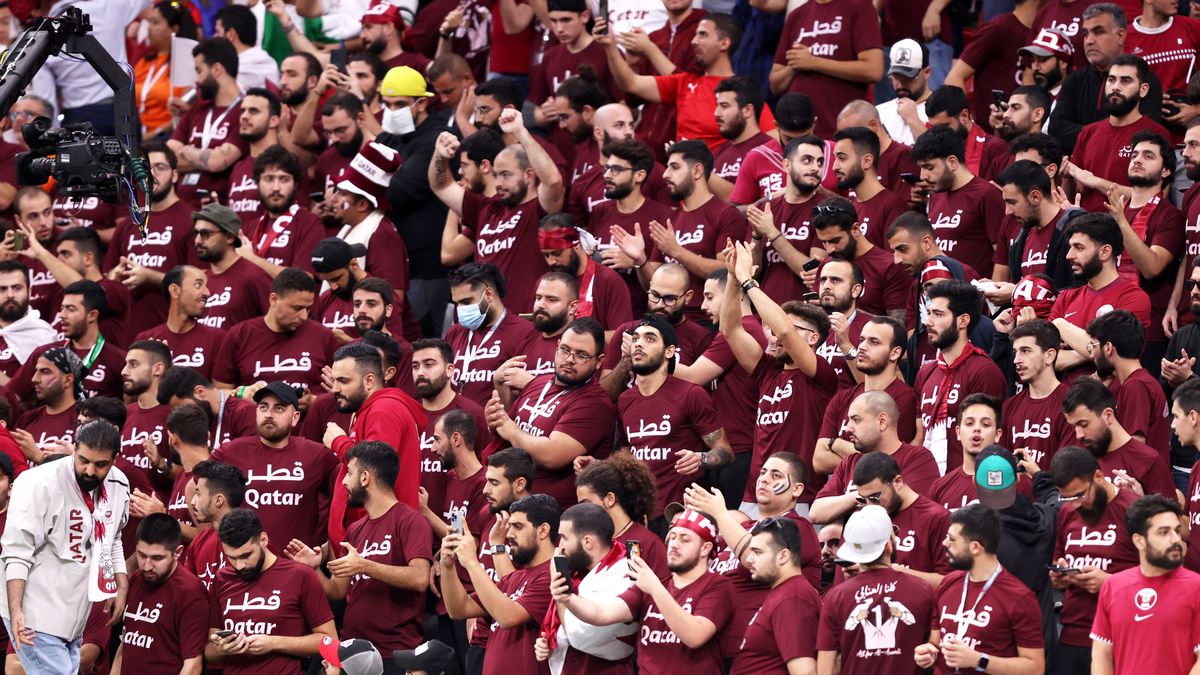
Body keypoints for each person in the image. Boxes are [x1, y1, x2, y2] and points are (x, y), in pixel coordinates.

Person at [0, 420, 130, 674]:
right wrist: (16, 610)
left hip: (75, 613)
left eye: (100, 464)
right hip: (34, 610)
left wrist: (120, 581)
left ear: (115, 459)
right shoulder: (36, 483)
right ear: (75, 448)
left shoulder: (119, 485)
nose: (90, 470)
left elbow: (113, 538)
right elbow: (16, 552)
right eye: (83, 460)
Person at [286, 440, 432, 660]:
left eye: (349, 473)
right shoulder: (355, 529)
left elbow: (420, 577)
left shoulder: (411, 521)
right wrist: (313, 570)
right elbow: (337, 591)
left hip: (395, 655)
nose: (344, 481)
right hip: (354, 653)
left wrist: (364, 565)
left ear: (365, 478)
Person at [723, 241, 837, 514]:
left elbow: (784, 330)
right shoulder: (768, 370)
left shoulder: (821, 374)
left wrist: (749, 281)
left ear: (813, 338)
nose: (773, 333)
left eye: (781, 325)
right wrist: (732, 278)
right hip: (755, 495)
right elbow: (730, 330)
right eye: (769, 327)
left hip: (801, 497)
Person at [555, 508, 733, 675]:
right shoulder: (651, 586)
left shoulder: (717, 585)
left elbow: (694, 636)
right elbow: (600, 614)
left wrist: (655, 588)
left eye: (685, 539)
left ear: (705, 548)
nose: (674, 544)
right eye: (672, 537)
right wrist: (568, 598)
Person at [431, 109, 563, 314]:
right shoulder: (486, 208)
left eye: (506, 175)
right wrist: (440, 155)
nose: (498, 183)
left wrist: (520, 132)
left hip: (525, 322)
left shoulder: (539, 209)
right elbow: (441, 186)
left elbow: (553, 181)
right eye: (496, 175)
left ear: (529, 176)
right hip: (487, 321)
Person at [487, 317, 617, 508]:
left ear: (599, 361)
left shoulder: (595, 404)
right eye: (565, 350)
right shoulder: (538, 383)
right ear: (556, 347)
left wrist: (511, 429)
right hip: (514, 502)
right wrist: (494, 419)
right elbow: (507, 432)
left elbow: (551, 455)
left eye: (581, 355)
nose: (570, 360)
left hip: (556, 513)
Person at [612, 140, 745, 324]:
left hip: (707, 320)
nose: (666, 174)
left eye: (674, 167)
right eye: (667, 167)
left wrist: (676, 251)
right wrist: (640, 260)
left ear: (697, 171)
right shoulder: (669, 219)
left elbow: (726, 271)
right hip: (666, 320)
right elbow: (653, 284)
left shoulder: (726, 214)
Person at [913, 504, 1045, 675]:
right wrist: (928, 653)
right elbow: (935, 644)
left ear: (975, 547)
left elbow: (1035, 668)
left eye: (952, 539)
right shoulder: (948, 584)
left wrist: (978, 660)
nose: (944, 543)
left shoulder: (1019, 598)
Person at [206, 509, 337, 673]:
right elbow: (210, 652)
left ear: (263, 540)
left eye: (246, 555)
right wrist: (222, 650)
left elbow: (330, 641)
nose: (239, 565)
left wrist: (273, 643)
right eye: (231, 557)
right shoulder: (221, 579)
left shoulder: (299, 575)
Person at [212, 381, 339, 548]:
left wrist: (324, 548)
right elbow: (196, 487)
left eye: (279, 408)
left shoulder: (317, 455)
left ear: (295, 418)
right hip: (244, 563)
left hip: (296, 566)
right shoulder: (230, 452)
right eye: (263, 407)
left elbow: (345, 494)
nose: (269, 414)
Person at [442, 494, 558, 675]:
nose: (509, 534)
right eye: (510, 526)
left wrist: (472, 562)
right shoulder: (513, 578)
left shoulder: (552, 576)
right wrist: (448, 566)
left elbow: (507, 617)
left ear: (543, 531)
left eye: (518, 527)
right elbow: (459, 608)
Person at [1049, 446, 1140, 675]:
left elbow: (1159, 579)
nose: (1075, 503)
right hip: (1073, 633)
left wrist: (1109, 582)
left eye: (1080, 495)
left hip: (1120, 634)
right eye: (1068, 497)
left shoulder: (1134, 510)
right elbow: (1060, 557)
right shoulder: (1068, 512)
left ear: (1098, 477)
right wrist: (1060, 576)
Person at [324, 343, 426, 543]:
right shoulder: (371, 409)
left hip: (380, 540)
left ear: (369, 380)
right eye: (334, 380)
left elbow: (372, 470)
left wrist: (338, 441)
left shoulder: (384, 409)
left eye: (343, 381)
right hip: (370, 537)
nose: (335, 388)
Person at [817, 505, 935, 674]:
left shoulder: (835, 597)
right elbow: (933, 654)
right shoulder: (922, 589)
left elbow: (826, 670)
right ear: (888, 545)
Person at [1090, 494, 1200, 673]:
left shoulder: (1196, 588)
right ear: (1139, 541)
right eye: (1163, 532)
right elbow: (1102, 653)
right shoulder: (1114, 587)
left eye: (1177, 530)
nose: (1175, 540)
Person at [599, 14, 741, 151]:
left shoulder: (742, 91)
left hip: (716, 172)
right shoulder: (684, 82)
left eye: (703, 34)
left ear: (724, 43)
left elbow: (762, 138)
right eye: (696, 34)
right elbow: (630, 83)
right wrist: (610, 45)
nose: (694, 41)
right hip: (677, 171)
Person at [1104, 130, 1185, 365]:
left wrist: (1120, 221)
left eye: (1149, 156)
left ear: (1166, 171)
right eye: (1135, 155)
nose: (1138, 159)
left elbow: (1151, 267)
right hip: (1108, 321)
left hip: (1149, 330)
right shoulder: (1115, 211)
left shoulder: (1170, 216)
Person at [915, 280, 1006, 474]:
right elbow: (919, 436)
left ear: (963, 321)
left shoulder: (983, 370)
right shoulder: (925, 373)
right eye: (930, 313)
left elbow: (989, 444)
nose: (928, 321)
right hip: (928, 486)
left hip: (967, 487)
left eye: (938, 314)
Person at [107, 142, 197, 336]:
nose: (151, 174)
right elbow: (108, 275)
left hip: (174, 334)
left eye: (160, 167)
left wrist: (151, 277)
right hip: (128, 335)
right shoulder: (127, 223)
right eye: (144, 168)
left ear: (175, 175)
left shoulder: (192, 219)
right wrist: (114, 277)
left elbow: (201, 281)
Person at [821, 452, 951, 587]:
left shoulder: (936, 518)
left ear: (897, 482)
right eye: (862, 499)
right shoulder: (865, 517)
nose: (869, 505)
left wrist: (893, 572)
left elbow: (951, 584)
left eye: (875, 497)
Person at [1049, 3, 1165, 155]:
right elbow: (1056, 128)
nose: (1089, 41)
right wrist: (1108, 135)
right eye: (1085, 34)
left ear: (1121, 36)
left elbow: (1146, 135)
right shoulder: (1075, 80)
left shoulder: (1145, 78)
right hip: (1080, 169)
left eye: (1098, 32)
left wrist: (1091, 136)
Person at [536, 502, 636, 674]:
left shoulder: (624, 573)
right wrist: (551, 642)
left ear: (588, 542)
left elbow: (578, 635)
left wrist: (561, 592)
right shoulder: (579, 570)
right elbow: (564, 631)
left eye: (565, 538)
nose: (560, 547)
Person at [1064, 55, 1170, 213]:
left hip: (1128, 231)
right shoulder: (1088, 132)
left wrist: (1097, 182)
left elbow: (1155, 198)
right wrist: (1067, 175)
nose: (1115, 87)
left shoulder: (1156, 134)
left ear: (1143, 90)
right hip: (1084, 228)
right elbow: (1073, 197)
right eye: (1111, 80)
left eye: (1126, 81)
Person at [811, 392, 940, 521]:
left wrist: (857, 499)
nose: (848, 428)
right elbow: (815, 513)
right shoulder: (850, 462)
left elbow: (915, 511)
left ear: (882, 422)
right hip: (853, 541)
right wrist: (860, 496)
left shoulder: (916, 458)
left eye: (856, 420)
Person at [816, 316, 920, 476]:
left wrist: (834, 443)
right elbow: (819, 461)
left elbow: (887, 460)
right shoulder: (842, 398)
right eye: (862, 340)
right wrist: (864, 456)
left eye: (874, 342)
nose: (862, 347)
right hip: (840, 494)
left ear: (895, 353)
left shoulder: (904, 398)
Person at [212, 267, 341, 394]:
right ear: (273, 300)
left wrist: (314, 402)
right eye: (297, 308)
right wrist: (242, 393)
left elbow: (342, 388)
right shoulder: (239, 335)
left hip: (311, 415)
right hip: (253, 414)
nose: (304, 316)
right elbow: (220, 389)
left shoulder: (323, 336)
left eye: (308, 309)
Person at [1049, 214, 1151, 372]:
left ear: (1105, 252)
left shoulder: (1133, 298)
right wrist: (1094, 349)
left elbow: (1112, 357)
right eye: (1070, 247)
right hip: (1068, 395)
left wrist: (1061, 326)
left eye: (1079, 248)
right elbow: (1046, 359)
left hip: (1111, 395)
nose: (1069, 255)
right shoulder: (1066, 298)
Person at [109, 514, 209, 675]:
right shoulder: (136, 580)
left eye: (157, 558)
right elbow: (126, 644)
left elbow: (193, 664)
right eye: (142, 555)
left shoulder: (190, 593)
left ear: (177, 552)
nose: (147, 566)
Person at [599, 264, 715, 400]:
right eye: (654, 295)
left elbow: (703, 397)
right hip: (628, 417)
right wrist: (625, 362)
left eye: (670, 298)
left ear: (688, 296)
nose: (660, 304)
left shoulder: (701, 338)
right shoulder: (627, 331)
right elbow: (604, 396)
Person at [770, 0, 883, 138]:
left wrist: (814, 62)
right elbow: (775, 83)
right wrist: (794, 66)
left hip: (842, 133)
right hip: (798, 135)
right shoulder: (797, 15)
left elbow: (874, 69)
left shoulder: (859, 6)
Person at [726, 518, 820, 674]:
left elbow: (805, 672)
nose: (749, 559)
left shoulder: (793, 598)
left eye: (757, 552)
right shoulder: (785, 592)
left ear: (783, 556)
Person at [910, 125, 1005, 278]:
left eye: (929, 167)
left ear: (952, 162)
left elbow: (1003, 256)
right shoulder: (936, 196)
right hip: (942, 294)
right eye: (921, 168)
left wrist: (992, 296)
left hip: (976, 296)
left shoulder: (986, 194)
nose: (923, 176)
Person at [741, 135, 826, 305]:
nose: (816, 168)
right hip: (764, 312)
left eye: (820, 162)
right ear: (786, 165)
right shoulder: (765, 209)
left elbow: (814, 273)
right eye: (807, 160)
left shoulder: (824, 210)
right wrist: (757, 237)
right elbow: (751, 273)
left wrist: (772, 233)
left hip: (806, 316)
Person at [1060, 377, 1176, 500]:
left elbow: (1172, 517)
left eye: (1084, 424)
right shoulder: (1079, 461)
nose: (1078, 435)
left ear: (1108, 416)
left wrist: (1142, 505)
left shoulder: (1149, 461)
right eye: (1074, 427)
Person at [167, 38, 249, 206]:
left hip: (217, 213)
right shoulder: (197, 109)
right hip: (182, 208)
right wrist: (205, 157)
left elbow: (217, 162)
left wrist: (187, 151)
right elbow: (167, 158)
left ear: (217, 69)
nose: (196, 80)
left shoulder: (245, 111)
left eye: (199, 71)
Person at [443, 264, 536, 407]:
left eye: (466, 302)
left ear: (489, 295)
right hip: (454, 424)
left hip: (496, 424)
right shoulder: (454, 333)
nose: (460, 309)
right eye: (456, 303)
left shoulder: (524, 332)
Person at [809, 198, 909, 322]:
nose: (829, 249)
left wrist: (845, 309)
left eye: (835, 241)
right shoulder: (828, 264)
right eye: (823, 242)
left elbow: (899, 326)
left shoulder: (889, 266)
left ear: (855, 229)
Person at [575, 453, 669, 580]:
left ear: (610, 499)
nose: (581, 512)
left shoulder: (645, 543)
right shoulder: (593, 543)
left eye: (586, 503)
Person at [1087, 310, 1171, 453]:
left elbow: (1135, 449)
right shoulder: (1140, 381)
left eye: (1093, 346)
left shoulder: (1136, 386)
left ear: (1108, 348)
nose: (1091, 356)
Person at [537, 215, 633, 334]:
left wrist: (577, 338)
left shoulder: (609, 281)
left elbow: (621, 336)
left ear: (576, 245)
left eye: (557, 253)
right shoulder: (545, 284)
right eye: (546, 255)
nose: (551, 261)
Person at [239, 145, 324, 278]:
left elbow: (304, 279)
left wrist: (253, 259)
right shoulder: (250, 228)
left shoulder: (309, 223)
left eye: (284, 179)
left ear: (295, 185)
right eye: (269, 179)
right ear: (257, 183)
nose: (276, 188)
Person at [1001, 320, 1076, 468]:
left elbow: (1070, 471)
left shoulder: (1072, 403)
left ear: (1049, 356)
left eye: (1026, 351)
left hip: (1054, 490)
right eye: (1015, 352)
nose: (1016, 360)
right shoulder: (1009, 407)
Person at [192, 203, 274, 331]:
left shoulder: (254, 276)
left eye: (205, 233)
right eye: (196, 233)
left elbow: (275, 326)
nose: (197, 240)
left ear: (229, 237)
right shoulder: (201, 279)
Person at [136, 266, 225, 380]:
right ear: (175, 290)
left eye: (207, 286)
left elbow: (221, 392)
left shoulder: (217, 338)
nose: (207, 292)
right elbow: (129, 396)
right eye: (198, 285)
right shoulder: (145, 340)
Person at [832, 126, 909, 250]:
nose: (834, 167)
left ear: (867, 161)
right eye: (834, 159)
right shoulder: (852, 208)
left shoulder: (892, 206)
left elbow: (895, 265)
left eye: (842, 158)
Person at [930, 394, 1005, 512]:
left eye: (985, 424)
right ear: (958, 432)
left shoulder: (1014, 483)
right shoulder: (939, 488)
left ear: (997, 434)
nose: (976, 428)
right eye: (969, 423)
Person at [156, 366, 257, 449]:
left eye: (181, 406)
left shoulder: (244, 412)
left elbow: (249, 463)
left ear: (200, 392)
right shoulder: (195, 422)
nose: (182, 413)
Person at [182, 460, 246, 589]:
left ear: (218, 500)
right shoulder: (198, 542)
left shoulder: (251, 542)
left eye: (198, 494)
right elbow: (188, 590)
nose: (193, 502)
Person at [13, 347, 81, 454]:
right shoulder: (26, 419)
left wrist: (38, 456)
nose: (35, 379)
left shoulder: (84, 420)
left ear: (68, 380)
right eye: (36, 371)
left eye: (45, 372)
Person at [0, 261, 55, 381]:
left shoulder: (42, 335)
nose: (10, 295)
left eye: (17, 288)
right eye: (2, 289)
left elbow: (41, 395)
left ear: (29, 291)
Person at [876, 39, 932, 146]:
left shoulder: (944, 110)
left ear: (927, 73)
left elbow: (941, 157)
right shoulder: (880, 112)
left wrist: (913, 120)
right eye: (896, 78)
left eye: (907, 78)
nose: (900, 85)